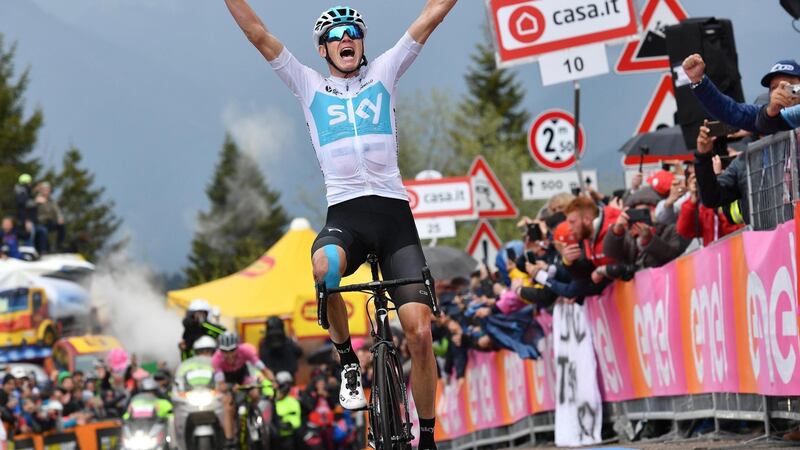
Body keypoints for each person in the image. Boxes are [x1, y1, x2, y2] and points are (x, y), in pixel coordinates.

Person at [223, 2, 460, 448]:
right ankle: (348, 359)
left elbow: (430, 17)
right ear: (323, 49)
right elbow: (259, 35)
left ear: (362, 42)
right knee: (324, 268)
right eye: (335, 35)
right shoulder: (308, 84)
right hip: (346, 216)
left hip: (394, 219)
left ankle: (427, 437)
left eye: (353, 31)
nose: (346, 38)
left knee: (420, 333)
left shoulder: (384, 72)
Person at [682, 55, 800, 133]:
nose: (781, 90)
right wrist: (698, 80)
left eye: (789, 84)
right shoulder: (765, 114)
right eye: (774, 88)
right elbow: (731, 111)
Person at [212, 331, 275, 446]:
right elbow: (221, 383)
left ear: (238, 347)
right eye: (225, 351)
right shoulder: (216, 359)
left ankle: (253, 414)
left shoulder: (246, 350)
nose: (229, 355)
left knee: (254, 393)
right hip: (227, 380)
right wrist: (228, 389)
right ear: (220, 350)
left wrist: (272, 379)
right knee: (228, 405)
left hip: (243, 376)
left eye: (232, 350)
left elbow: (261, 367)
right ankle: (230, 440)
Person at [272, 371, 302, 450]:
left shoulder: (293, 402)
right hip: (272, 438)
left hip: (287, 437)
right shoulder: (271, 402)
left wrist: (287, 424)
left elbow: (295, 420)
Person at [34, 182, 65, 253]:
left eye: (48, 190)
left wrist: (60, 218)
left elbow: (57, 210)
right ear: (41, 190)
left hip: (48, 222)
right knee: (43, 231)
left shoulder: (51, 200)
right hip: (39, 222)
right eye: (44, 190)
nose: (46, 191)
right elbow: (30, 205)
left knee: (61, 226)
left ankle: (59, 245)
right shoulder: (37, 198)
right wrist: (36, 201)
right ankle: (43, 250)